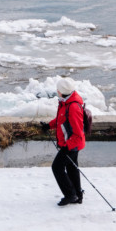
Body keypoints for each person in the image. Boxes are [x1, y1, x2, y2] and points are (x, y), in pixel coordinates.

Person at [41, 78, 86, 206]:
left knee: (57, 167)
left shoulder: (73, 107)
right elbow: (61, 119)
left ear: (62, 92)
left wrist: (67, 147)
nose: (57, 91)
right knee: (71, 168)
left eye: (58, 89)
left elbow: (78, 133)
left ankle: (70, 195)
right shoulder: (66, 102)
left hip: (72, 144)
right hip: (71, 144)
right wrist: (48, 126)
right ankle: (78, 195)